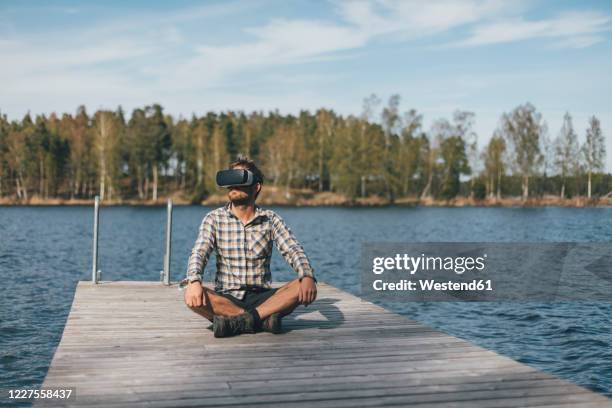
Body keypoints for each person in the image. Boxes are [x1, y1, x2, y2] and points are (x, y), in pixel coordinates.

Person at [181, 156, 317, 337]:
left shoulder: (271, 219)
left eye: (240, 179)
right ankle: (261, 320)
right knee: (191, 296)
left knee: (301, 285)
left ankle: (236, 322)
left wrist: (306, 275)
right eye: (231, 180)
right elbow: (199, 252)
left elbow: (293, 249)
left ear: (256, 186)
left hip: (262, 296)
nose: (233, 186)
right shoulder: (213, 218)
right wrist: (194, 280)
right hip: (227, 297)